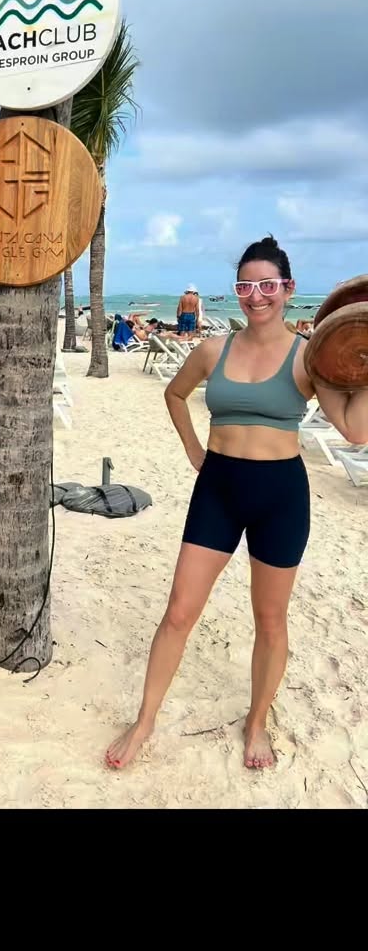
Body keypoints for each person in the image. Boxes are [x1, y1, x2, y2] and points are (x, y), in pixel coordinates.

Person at [106, 236, 368, 772]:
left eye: (267, 285)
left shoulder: (309, 357)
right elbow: (173, 394)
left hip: (280, 497)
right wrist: (195, 452)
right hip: (218, 489)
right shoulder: (212, 349)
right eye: (245, 286)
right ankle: (145, 720)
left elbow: (354, 427)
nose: (255, 296)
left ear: (288, 290)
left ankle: (256, 722)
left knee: (270, 620)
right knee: (179, 611)